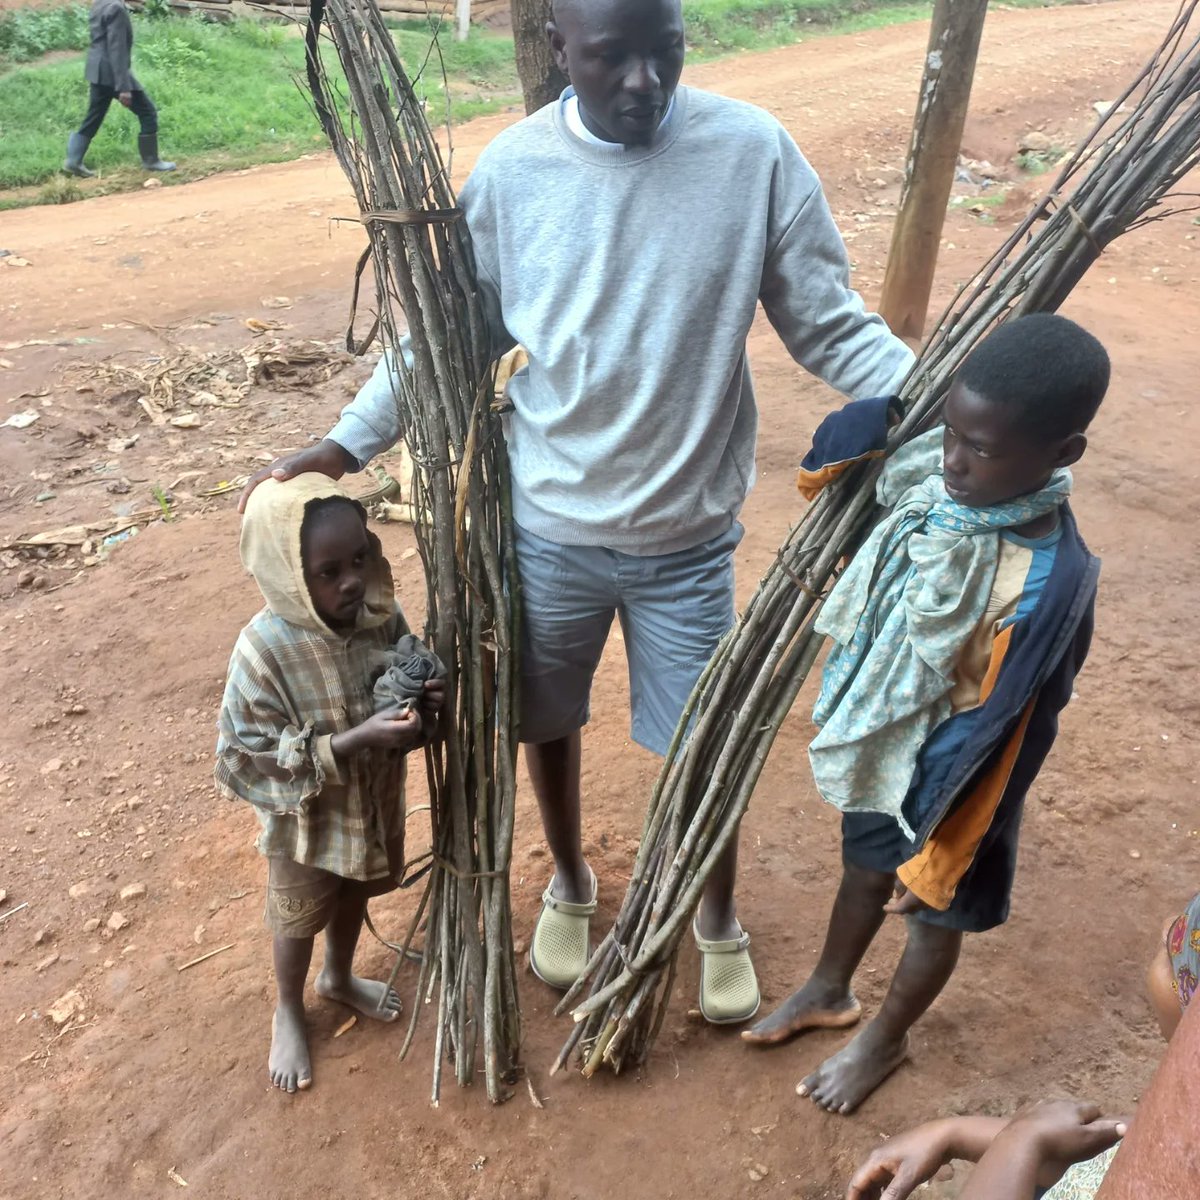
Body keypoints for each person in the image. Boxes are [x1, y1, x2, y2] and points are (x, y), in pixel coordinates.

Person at [239, 0, 914, 1025]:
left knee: (704, 737)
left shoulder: (752, 153)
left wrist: (932, 395)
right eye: (612, 57)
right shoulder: (515, 173)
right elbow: (447, 334)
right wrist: (348, 440)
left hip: (687, 539)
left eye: (666, 53)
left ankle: (710, 907)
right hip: (548, 532)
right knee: (545, 722)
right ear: (560, 50)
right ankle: (569, 880)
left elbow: (826, 319)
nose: (644, 81)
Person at [744, 314, 1111, 1111]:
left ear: (1062, 454)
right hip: (895, 747)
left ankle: (885, 1040)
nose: (952, 461)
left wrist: (951, 838)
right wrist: (862, 427)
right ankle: (829, 988)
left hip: (964, 785)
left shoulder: (1051, 584)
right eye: (951, 433)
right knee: (863, 871)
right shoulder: (931, 487)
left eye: (980, 450)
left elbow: (1022, 728)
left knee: (932, 917)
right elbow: (842, 474)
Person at [215, 474, 444, 1093]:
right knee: (298, 914)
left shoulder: (378, 614)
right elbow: (249, 750)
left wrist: (423, 703)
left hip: (372, 802)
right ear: (287, 574)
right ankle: (289, 1005)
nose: (351, 581)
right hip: (307, 823)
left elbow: (406, 669)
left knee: (355, 891)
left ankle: (338, 977)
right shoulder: (264, 651)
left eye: (360, 559)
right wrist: (353, 741)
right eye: (328, 570)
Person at [845, 891, 1200, 1199]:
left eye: (1172, 949)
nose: (1165, 924)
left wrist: (1020, 1140)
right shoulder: (1183, 1125)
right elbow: (1105, 1149)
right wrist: (953, 1133)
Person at [63, 0, 175, 179]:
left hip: (96, 70)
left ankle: (73, 160)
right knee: (148, 112)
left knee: (94, 116)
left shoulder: (100, 3)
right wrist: (123, 87)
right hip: (112, 72)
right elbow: (117, 48)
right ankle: (151, 160)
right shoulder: (116, 8)